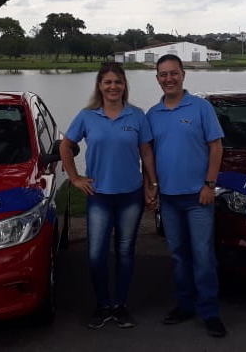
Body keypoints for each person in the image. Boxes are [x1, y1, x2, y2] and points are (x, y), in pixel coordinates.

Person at [60, 62, 158, 329]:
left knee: (125, 251)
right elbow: (66, 146)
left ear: (124, 85)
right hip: (99, 196)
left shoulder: (137, 116)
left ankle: (121, 305)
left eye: (118, 82)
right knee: (96, 254)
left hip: (130, 196)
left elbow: (146, 153)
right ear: (100, 86)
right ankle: (102, 304)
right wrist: (75, 178)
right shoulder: (87, 116)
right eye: (108, 82)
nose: (113, 87)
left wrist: (152, 184)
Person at [146, 54, 226, 338]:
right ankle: (185, 305)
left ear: (183, 75)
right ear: (157, 78)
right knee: (179, 256)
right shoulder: (152, 115)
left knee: (203, 255)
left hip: (198, 198)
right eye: (163, 74)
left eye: (174, 73)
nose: (169, 79)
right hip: (169, 199)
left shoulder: (201, 108)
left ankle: (210, 311)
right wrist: (151, 186)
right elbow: (148, 155)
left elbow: (216, 147)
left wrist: (209, 184)